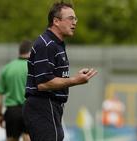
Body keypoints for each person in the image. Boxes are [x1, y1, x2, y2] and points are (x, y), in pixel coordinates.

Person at [23, 2, 97, 141]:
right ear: (56, 21)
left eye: (75, 19)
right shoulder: (46, 44)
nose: (74, 22)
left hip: (51, 107)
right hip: (43, 105)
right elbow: (43, 83)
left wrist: (76, 77)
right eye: (70, 18)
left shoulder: (57, 44)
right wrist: (76, 80)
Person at [0, 40, 32, 141]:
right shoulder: (34, 68)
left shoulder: (7, 68)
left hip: (12, 111)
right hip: (30, 109)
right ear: (31, 51)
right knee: (28, 137)